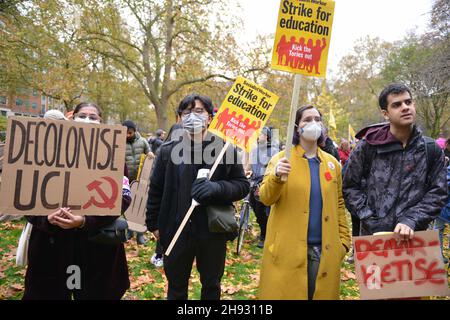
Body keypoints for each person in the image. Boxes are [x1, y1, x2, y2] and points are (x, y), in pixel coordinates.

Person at [146, 93, 249, 300]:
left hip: (212, 231)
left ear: (210, 117)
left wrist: (217, 188)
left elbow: (242, 185)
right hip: (176, 229)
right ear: (180, 118)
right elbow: (156, 189)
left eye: (199, 111)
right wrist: (154, 225)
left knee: (211, 285)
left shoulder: (224, 149)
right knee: (176, 286)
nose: (193, 116)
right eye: (187, 112)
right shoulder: (167, 151)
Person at [23, 102, 130, 300]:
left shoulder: (113, 156)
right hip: (51, 248)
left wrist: (85, 220)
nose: (87, 120)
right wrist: (45, 219)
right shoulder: (44, 152)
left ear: (101, 122)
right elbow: (23, 198)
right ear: (71, 119)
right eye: (82, 115)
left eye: (93, 117)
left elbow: (123, 198)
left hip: (96, 250)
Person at [258, 105, 351, 300]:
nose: (314, 124)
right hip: (287, 252)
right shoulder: (280, 159)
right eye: (307, 120)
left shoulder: (332, 164)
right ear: (297, 127)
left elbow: (339, 203)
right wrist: (276, 176)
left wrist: (343, 242)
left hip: (324, 252)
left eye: (317, 119)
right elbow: (265, 197)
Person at [343, 83, 447, 240]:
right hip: (374, 240)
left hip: (416, 240)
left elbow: (438, 192)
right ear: (385, 114)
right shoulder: (368, 147)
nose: (405, 107)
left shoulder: (430, 149)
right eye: (397, 105)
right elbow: (350, 187)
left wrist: (412, 219)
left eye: (408, 102)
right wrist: (370, 219)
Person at [150, 123, 182, 269]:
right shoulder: (165, 151)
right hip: (165, 200)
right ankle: (159, 254)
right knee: (164, 229)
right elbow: (155, 180)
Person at [245, 126, 279, 248]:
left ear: (267, 137)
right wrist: (245, 172)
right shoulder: (254, 150)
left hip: (265, 183)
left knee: (264, 211)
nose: (258, 137)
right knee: (256, 210)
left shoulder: (274, 151)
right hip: (253, 183)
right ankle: (264, 231)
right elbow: (250, 166)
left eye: (261, 134)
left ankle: (265, 236)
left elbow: (274, 168)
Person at [123, 120, 152, 245]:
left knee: (140, 206)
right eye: (125, 133)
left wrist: (151, 156)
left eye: (130, 132)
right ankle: (129, 232)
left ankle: (140, 234)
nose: (127, 135)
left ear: (134, 131)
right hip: (126, 179)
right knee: (127, 205)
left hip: (141, 179)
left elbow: (149, 153)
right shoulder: (119, 142)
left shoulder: (143, 141)